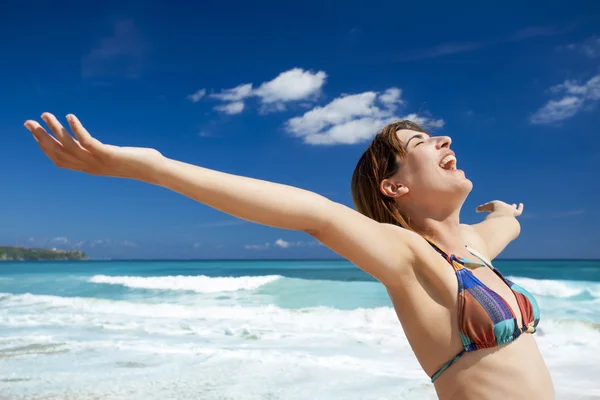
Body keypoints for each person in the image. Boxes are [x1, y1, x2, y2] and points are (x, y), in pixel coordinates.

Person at [24, 113, 554, 400]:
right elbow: (312, 213)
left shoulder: (476, 250)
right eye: (421, 141)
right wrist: (154, 166)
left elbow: (503, 225)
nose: (444, 138)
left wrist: (508, 212)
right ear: (392, 188)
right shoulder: (410, 255)